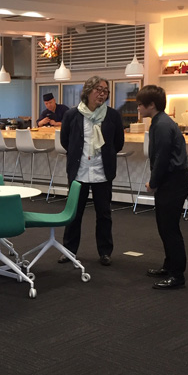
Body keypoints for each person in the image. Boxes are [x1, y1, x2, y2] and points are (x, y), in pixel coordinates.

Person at [59, 76, 124, 266]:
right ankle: (69, 251)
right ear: (87, 91)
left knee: (104, 214)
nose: (102, 94)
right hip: (79, 171)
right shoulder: (72, 115)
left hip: (102, 171)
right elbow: (65, 141)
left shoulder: (112, 116)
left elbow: (118, 143)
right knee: (74, 214)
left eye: (105, 91)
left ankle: (105, 252)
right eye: (98, 90)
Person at [136, 85, 188, 289]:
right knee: (165, 226)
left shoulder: (161, 125)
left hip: (173, 180)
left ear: (151, 105)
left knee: (169, 229)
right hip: (173, 179)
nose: (138, 108)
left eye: (141, 104)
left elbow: (162, 158)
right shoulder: (160, 122)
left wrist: (153, 182)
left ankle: (177, 275)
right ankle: (169, 266)